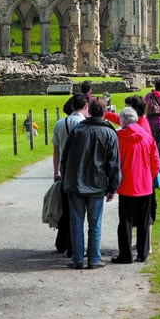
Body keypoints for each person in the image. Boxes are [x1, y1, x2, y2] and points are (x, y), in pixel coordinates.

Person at [59, 97, 121, 269]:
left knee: (77, 222)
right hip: (97, 184)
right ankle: (93, 258)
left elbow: (65, 158)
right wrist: (113, 187)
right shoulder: (109, 133)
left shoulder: (77, 130)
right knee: (95, 223)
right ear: (104, 112)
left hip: (76, 183)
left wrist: (65, 180)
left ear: (90, 110)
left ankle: (78, 258)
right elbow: (114, 163)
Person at [111, 106, 159, 264]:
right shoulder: (147, 137)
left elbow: (114, 162)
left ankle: (125, 255)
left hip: (126, 185)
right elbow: (155, 162)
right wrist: (148, 177)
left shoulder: (118, 137)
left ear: (123, 121)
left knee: (125, 221)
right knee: (144, 221)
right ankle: (142, 253)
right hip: (144, 185)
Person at [51, 94, 88, 256]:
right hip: (82, 171)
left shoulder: (60, 123)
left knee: (66, 208)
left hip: (66, 171)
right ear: (85, 106)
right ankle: (75, 247)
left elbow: (56, 150)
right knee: (80, 210)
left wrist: (56, 171)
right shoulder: (85, 124)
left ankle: (62, 242)